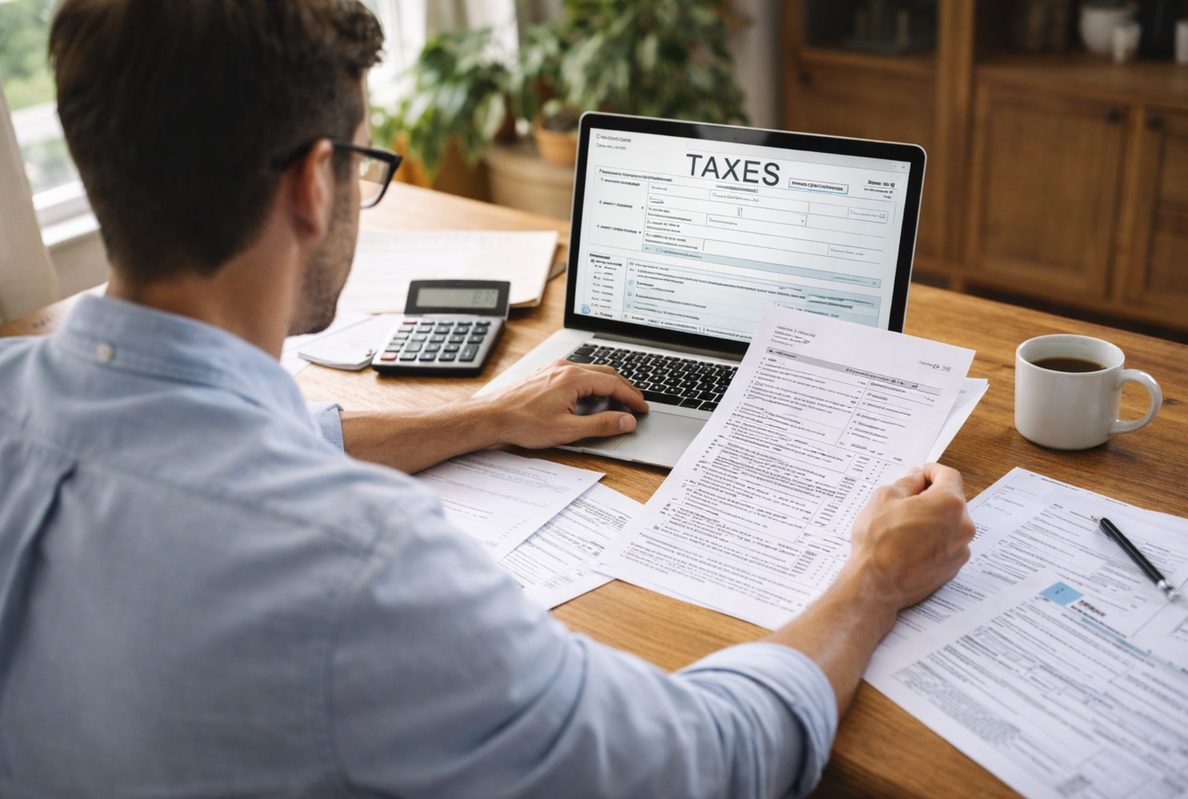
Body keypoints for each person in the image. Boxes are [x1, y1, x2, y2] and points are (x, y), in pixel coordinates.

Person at [0, 1, 975, 796]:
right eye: (365, 165)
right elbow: (701, 762)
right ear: (314, 185)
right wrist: (873, 580)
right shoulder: (366, 565)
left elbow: (254, 437)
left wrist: (487, 414)